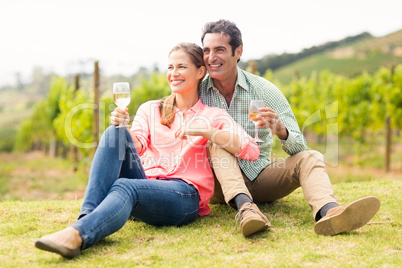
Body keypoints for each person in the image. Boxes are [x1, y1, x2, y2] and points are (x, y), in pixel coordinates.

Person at [34, 42, 261, 259]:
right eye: (170, 67)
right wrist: (123, 128)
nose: (174, 73)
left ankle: (78, 235)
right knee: (114, 133)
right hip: (147, 182)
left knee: (124, 186)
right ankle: (85, 220)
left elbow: (250, 150)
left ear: (200, 72)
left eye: (182, 67)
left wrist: (207, 131)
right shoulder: (151, 109)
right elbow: (139, 144)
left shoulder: (213, 115)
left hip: (184, 195)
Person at [199, 19, 380, 236]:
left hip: (260, 177)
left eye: (219, 50)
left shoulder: (264, 90)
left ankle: (330, 213)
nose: (211, 57)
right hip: (219, 185)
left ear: (237, 52)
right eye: (206, 50)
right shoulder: (198, 90)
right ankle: (246, 210)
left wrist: (280, 130)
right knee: (216, 139)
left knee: (311, 156)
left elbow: (299, 146)